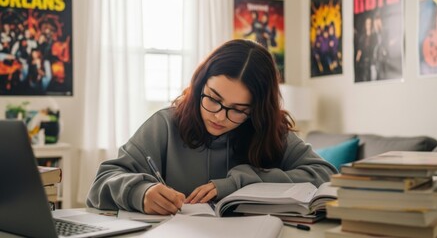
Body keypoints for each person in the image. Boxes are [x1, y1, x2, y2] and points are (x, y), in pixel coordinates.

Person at [86, 39, 338, 215]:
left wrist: (240, 181)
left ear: (257, 110)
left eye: (238, 109)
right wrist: (141, 192)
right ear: (199, 86)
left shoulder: (268, 131)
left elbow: (325, 175)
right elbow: (102, 183)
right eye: (213, 99)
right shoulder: (164, 124)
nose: (219, 116)